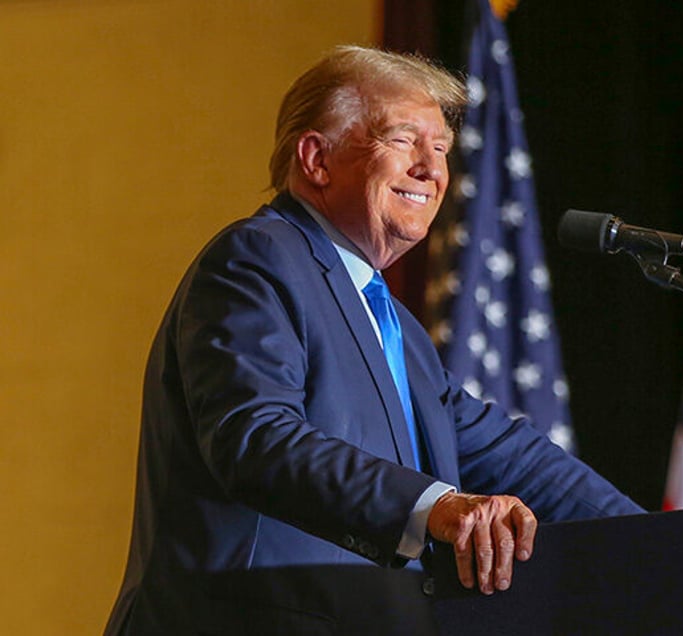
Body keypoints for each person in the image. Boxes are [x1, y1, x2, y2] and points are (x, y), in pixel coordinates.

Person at [105, 45, 642, 635]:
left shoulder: (397, 329)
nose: (431, 169)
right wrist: (435, 506)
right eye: (403, 140)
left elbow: (514, 457)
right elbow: (256, 438)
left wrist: (653, 538)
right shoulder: (258, 259)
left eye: (440, 149)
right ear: (316, 159)